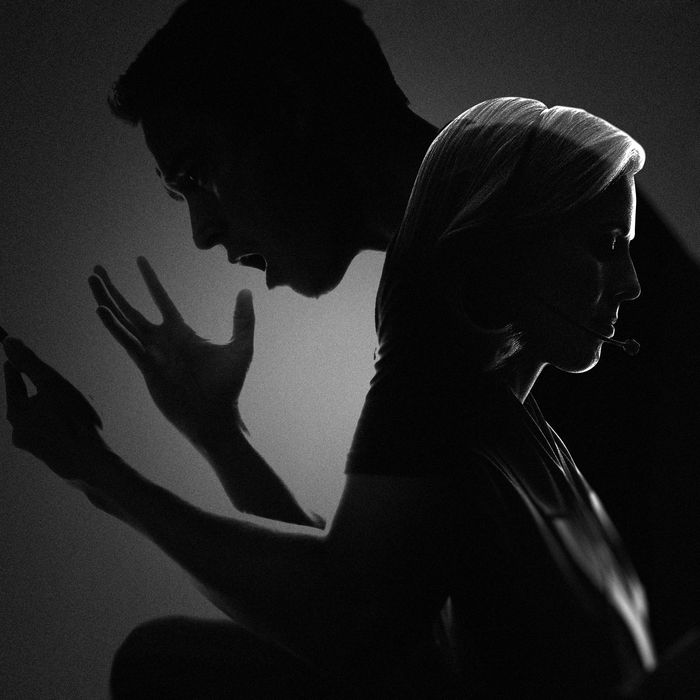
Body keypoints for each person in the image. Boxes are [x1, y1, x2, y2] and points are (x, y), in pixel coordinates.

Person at [6, 96, 700, 697]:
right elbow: (380, 609)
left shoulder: (484, 395)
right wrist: (216, 437)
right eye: (607, 244)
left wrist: (101, 473)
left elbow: (358, 616)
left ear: (291, 107)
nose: (203, 230)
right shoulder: (477, 401)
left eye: (196, 172)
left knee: (163, 660)